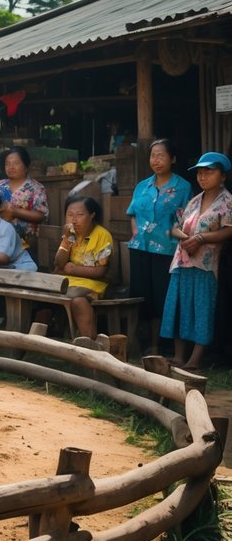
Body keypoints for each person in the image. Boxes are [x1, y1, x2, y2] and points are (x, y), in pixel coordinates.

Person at [161, 152, 232, 371]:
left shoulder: (227, 202)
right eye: (200, 172)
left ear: (223, 176)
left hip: (206, 265)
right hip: (182, 262)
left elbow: (229, 230)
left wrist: (201, 238)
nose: (202, 177)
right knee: (180, 306)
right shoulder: (194, 200)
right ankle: (179, 355)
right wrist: (185, 238)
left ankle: (196, 359)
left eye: (209, 172)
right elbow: (175, 226)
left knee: (202, 308)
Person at [125, 139, 191, 354]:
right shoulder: (142, 186)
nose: (156, 160)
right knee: (140, 295)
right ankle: (137, 343)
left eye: (162, 155)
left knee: (161, 296)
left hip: (166, 251)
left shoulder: (183, 187)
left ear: (173, 159)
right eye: (153, 155)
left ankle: (158, 345)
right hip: (140, 248)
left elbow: (185, 220)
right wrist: (136, 233)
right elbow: (133, 214)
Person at [50, 195, 111, 340]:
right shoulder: (69, 234)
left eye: (79, 215)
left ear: (92, 215)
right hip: (70, 281)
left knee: (75, 297)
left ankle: (88, 341)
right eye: (69, 215)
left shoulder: (102, 235)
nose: (73, 220)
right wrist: (66, 240)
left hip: (93, 282)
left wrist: (73, 269)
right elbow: (59, 263)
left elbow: (101, 271)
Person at [0, 146, 48, 255]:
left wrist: (15, 212)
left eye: (16, 163)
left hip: (26, 244)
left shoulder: (36, 188)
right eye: (7, 163)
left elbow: (41, 216)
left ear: (26, 166)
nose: (11, 167)